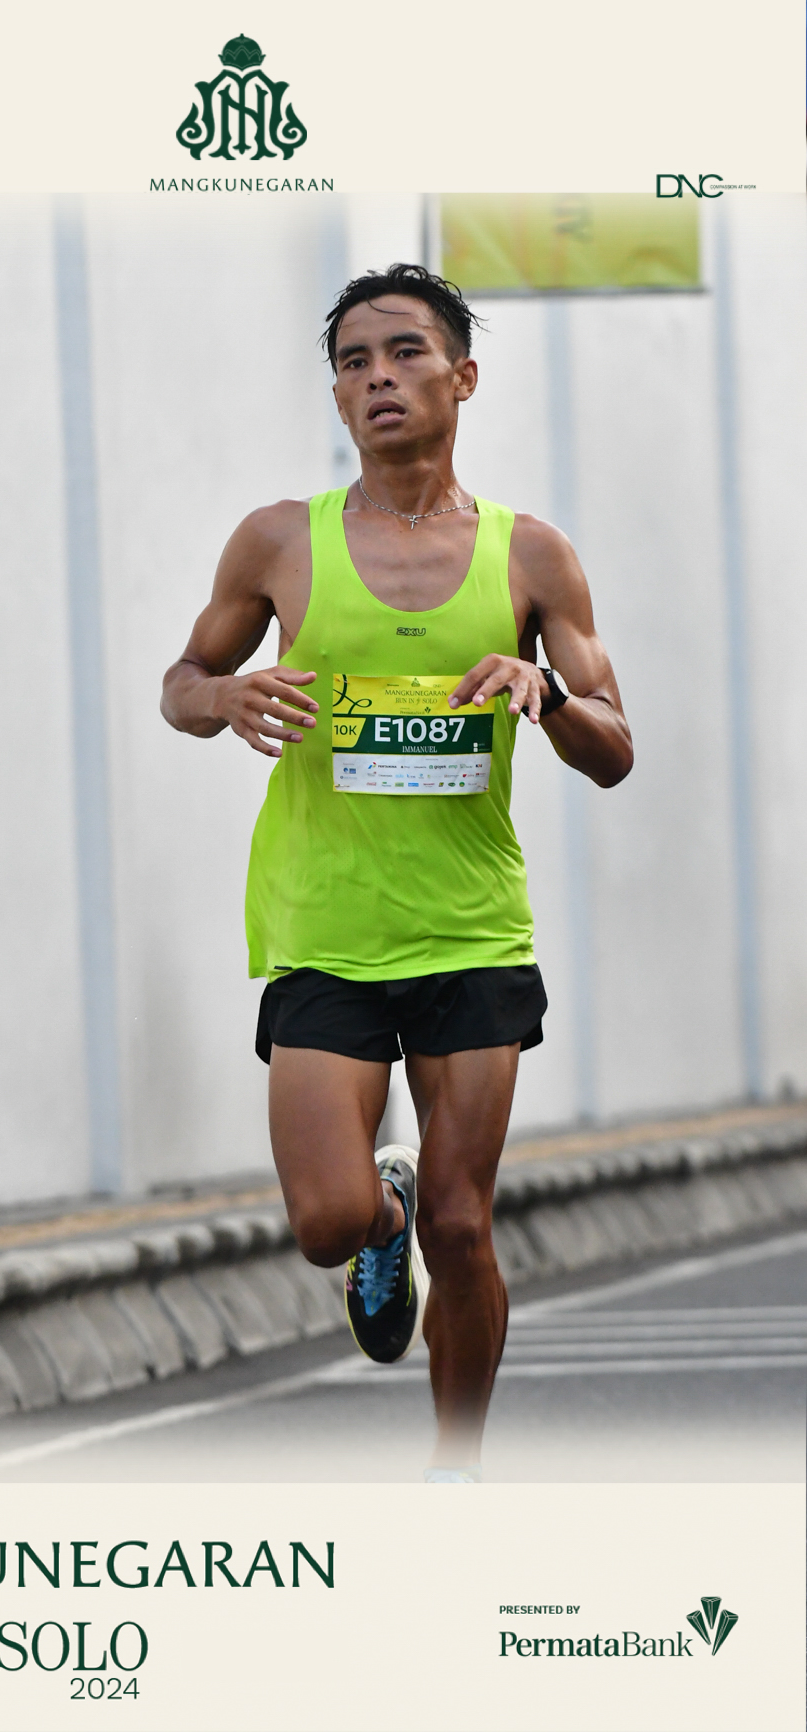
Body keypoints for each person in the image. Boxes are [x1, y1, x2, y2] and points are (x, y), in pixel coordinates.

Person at [160, 263, 633, 1481]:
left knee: (467, 1226)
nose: (379, 377)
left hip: (470, 930)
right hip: (324, 926)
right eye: (354, 361)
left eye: (407, 352)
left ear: (463, 377)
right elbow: (180, 686)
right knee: (325, 1221)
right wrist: (225, 695)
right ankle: (385, 1214)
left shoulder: (532, 558)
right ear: (337, 394)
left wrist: (546, 693)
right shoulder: (280, 541)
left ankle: (455, 1470)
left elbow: (616, 747)